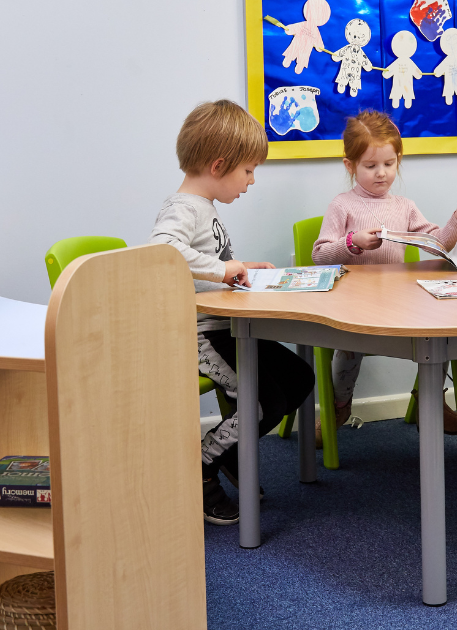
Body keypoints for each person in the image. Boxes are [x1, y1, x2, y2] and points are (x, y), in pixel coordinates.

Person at [150, 100, 315, 525]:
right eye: (248, 170)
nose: (252, 180)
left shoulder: (206, 209)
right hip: (204, 335)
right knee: (263, 404)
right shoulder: (183, 207)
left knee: (299, 378)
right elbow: (164, 249)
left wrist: (241, 268)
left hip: (230, 327)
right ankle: (202, 466)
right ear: (220, 165)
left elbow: (208, 260)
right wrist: (224, 269)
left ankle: (231, 452)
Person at [312, 110, 457, 445]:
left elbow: (438, 244)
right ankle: (338, 407)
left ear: (398, 160)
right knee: (348, 349)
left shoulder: (404, 206)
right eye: (370, 165)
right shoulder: (342, 205)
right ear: (350, 166)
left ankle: (431, 401)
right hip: (354, 305)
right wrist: (353, 242)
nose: (382, 173)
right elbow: (319, 254)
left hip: (398, 301)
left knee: (440, 330)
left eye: (389, 164)